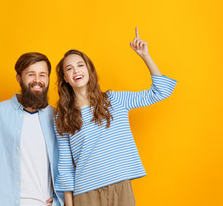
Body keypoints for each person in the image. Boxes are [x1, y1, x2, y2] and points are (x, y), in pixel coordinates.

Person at [53, 28, 177, 206]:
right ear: (65, 77)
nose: (76, 71)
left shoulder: (115, 100)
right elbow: (64, 164)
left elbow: (162, 91)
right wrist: (68, 204)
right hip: (85, 193)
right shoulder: (61, 117)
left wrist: (145, 56)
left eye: (80, 65)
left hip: (120, 186)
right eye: (69, 68)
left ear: (89, 70)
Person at [0, 52, 64, 206]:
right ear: (19, 78)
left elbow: (67, 164)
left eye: (42, 75)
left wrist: (58, 202)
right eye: (31, 74)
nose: (37, 80)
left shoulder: (56, 117)